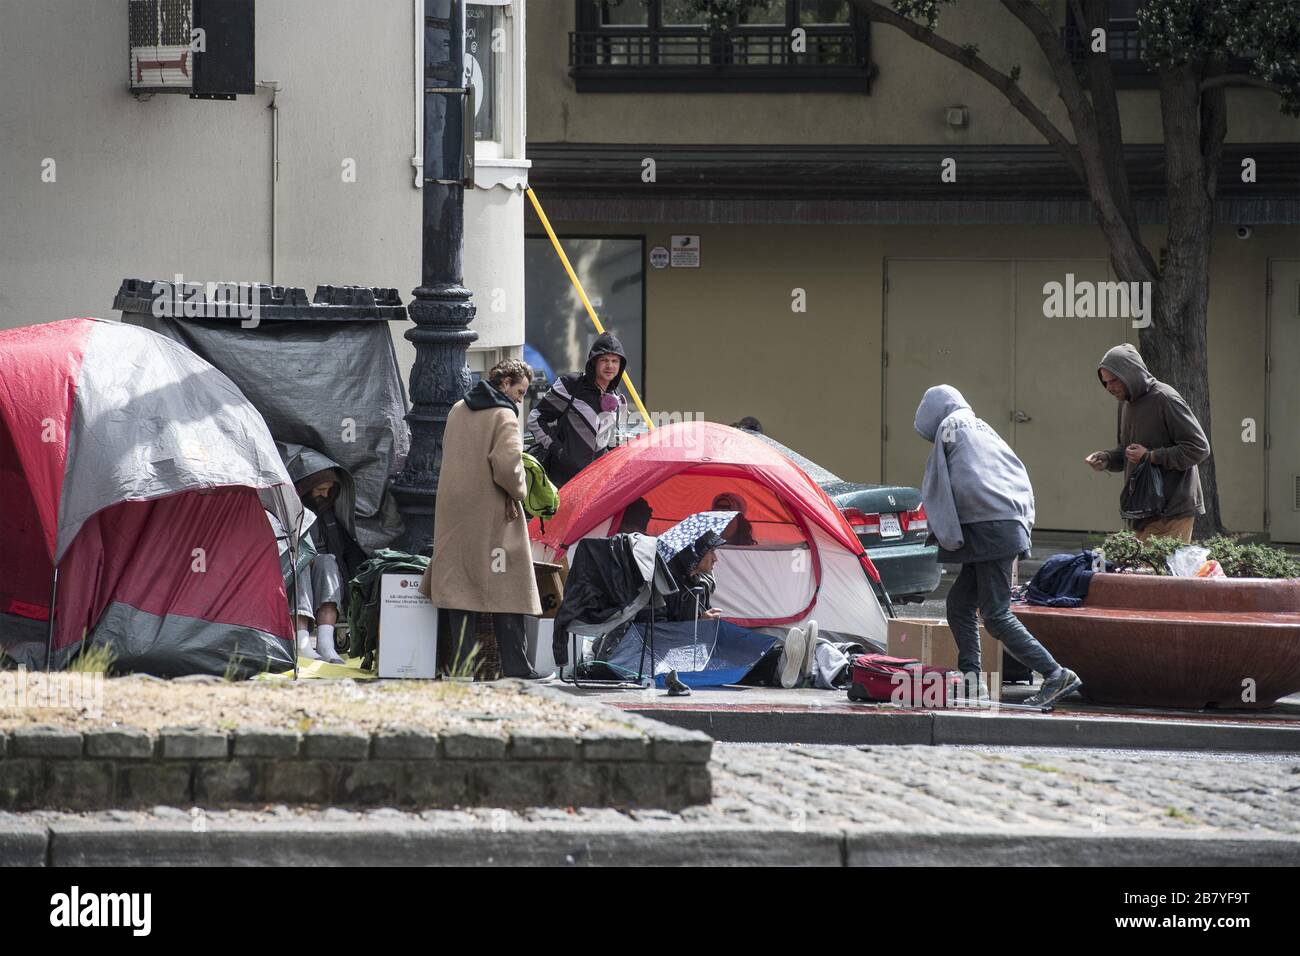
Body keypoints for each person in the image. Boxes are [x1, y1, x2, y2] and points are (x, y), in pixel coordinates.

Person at [915, 385, 1080, 708]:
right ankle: (972, 682)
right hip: (1008, 523)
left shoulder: (949, 429)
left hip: (988, 528)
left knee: (996, 613)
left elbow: (939, 487)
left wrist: (942, 533)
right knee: (960, 603)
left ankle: (1056, 674)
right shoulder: (983, 428)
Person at [419, 359, 545, 679]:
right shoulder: (504, 415)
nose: (520, 399)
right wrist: (520, 491)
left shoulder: (458, 408)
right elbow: (507, 467)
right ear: (504, 384)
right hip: (492, 510)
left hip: (454, 510)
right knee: (509, 588)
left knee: (459, 589)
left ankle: (461, 669)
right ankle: (517, 668)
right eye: (519, 392)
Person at [1087, 344, 1211, 543]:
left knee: (1160, 572)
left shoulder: (1165, 398)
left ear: (1131, 374)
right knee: (1144, 572)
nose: (1110, 388)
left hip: (1172, 510)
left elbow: (1199, 448)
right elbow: (1128, 451)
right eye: (1106, 382)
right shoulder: (1125, 402)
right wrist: (1108, 459)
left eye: (1114, 381)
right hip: (1143, 511)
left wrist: (1152, 456)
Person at [280, 446, 369, 664]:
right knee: (300, 564)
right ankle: (301, 642)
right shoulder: (289, 510)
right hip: (291, 570)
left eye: (329, 489)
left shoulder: (328, 514)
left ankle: (326, 643)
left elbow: (345, 549)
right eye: (320, 488)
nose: (325, 494)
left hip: (320, 571)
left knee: (329, 561)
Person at [526, 332, 628, 487]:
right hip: (561, 482)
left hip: (595, 485)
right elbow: (536, 418)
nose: (610, 366)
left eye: (615, 361)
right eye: (604, 360)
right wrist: (559, 451)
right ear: (594, 362)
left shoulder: (618, 398)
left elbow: (615, 442)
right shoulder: (571, 385)